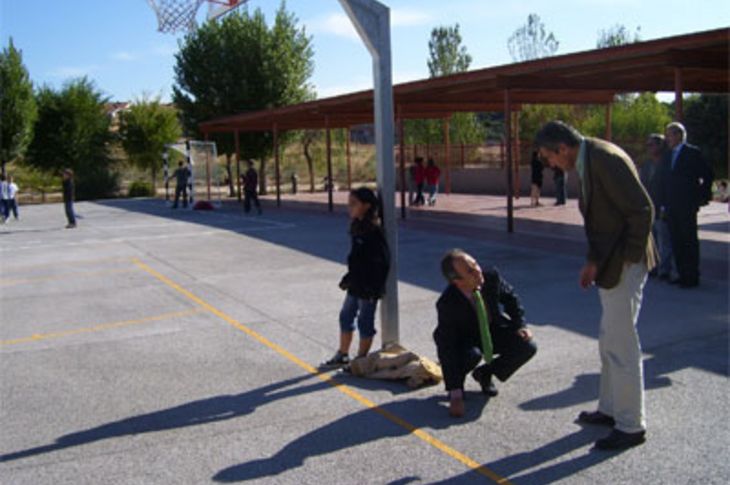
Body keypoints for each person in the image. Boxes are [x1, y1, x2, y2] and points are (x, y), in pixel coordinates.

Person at [536, 120, 657, 451]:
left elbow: (642, 210)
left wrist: (629, 259)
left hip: (624, 264)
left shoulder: (603, 158)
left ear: (563, 148)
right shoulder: (589, 158)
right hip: (609, 263)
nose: (550, 164)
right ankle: (611, 409)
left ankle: (631, 425)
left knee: (622, 346)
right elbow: (602, 221)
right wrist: (593, 261)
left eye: (549, 157)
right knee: (609, 342)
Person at [434, 250, 536, 418]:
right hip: (464, 339)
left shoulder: (490, 276)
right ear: (457, 281)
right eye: (469, 271)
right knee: (471, 355)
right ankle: (459, 385)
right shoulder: (447, 303)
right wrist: (455, 394)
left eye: (475, 264)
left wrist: (521, 325)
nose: (477, 271)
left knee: (527, 346)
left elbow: (511, 298)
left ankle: (485, 374)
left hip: (491, 329)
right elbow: (447, 347)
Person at [322, 187, 390, 369]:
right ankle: (343, 354)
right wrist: (349, 277)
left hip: (368, 285)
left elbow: (382, 261)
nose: (349, 207)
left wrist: (373, 287)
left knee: (365, 322)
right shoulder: (357, 226)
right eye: (349, 203)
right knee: (345, 316)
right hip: (356, 282)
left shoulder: (374, 231)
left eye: (354, 204)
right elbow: (356, 259)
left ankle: (360, 360)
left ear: (367, 206)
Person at [658, 122, 714, 288]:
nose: (667, 138)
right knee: (676, 240)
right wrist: (662, 203)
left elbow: (708, 174)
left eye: (670, 135)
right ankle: (682, 274)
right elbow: (664, 181)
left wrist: (700, 197)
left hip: (687, 205)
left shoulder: (692, 153)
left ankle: (692, 275)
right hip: (671, 205)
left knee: (688, 240)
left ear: (679, 135)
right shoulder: (667, 155)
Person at [640, 134, 675, 281]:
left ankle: (664, 269)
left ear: (661, 146)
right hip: (649, 206)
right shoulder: (647, 164)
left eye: (652, 145)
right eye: (648, 145)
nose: (650, 148)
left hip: (663, 206)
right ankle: (653, 266)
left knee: (664, 239)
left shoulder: (668, 163)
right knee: (651, 238)